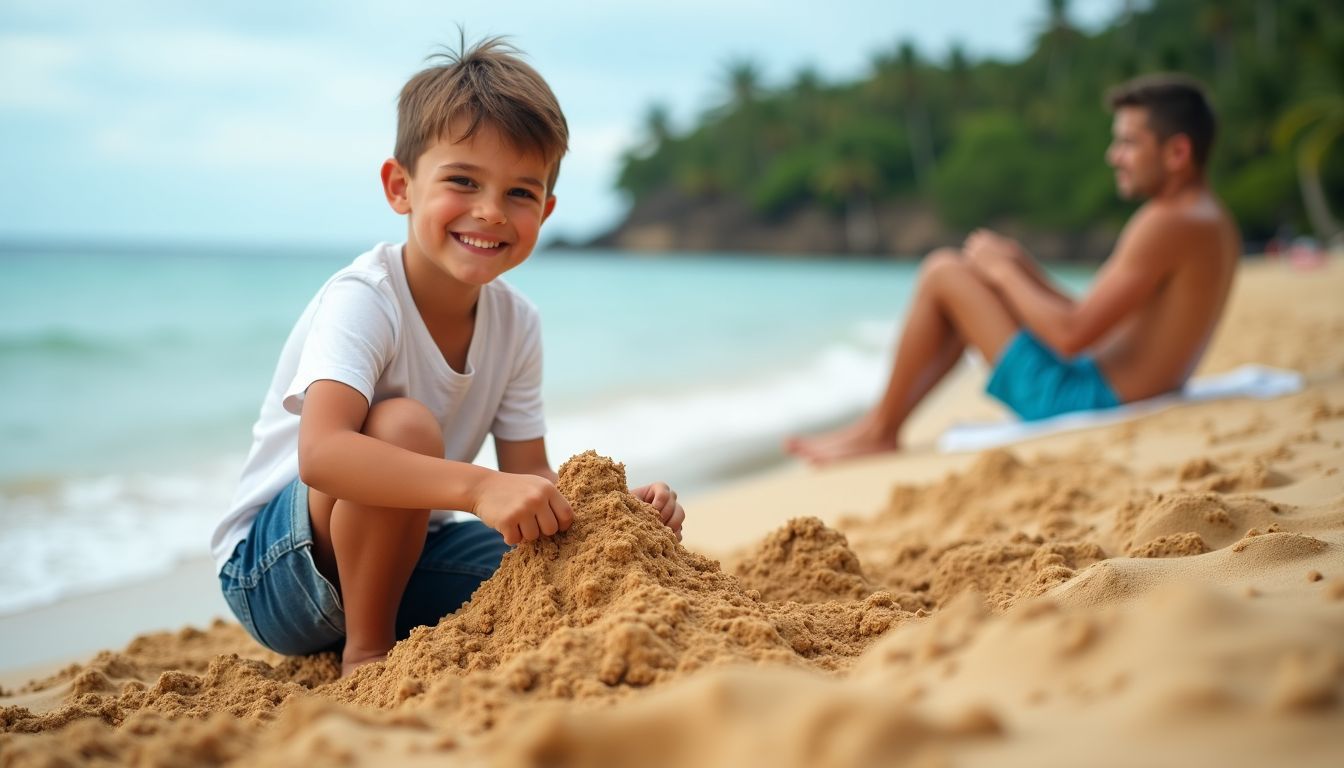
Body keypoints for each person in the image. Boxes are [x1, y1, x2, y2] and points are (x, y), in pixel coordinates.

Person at [210, 37, 685, 677]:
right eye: (462, 181)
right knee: (404, 427)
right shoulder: (365, 298)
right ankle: (368, 652)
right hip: (280, 574)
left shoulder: (517, 321)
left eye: (520, 193)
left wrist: (612, 508)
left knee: (561, 561)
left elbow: (528, 472)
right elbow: (321, 454)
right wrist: (478, 487)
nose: (490, 211)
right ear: (400, 187)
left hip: (406, 549)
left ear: (545, 211)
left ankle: (387, 608)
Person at [786, 73, 1240, 464]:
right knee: (973, 280)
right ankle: (876, 426)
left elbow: (1071, 334)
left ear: (1177, 153)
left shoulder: (1166, 222)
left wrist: (1001, 273)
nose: (1113, 156)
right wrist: (1020, 267)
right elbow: (1096, 322)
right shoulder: (1207, 218)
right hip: (1107, 384)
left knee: (943, 270)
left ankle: (879, 430)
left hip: (1081, 399)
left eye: (1127, 142)